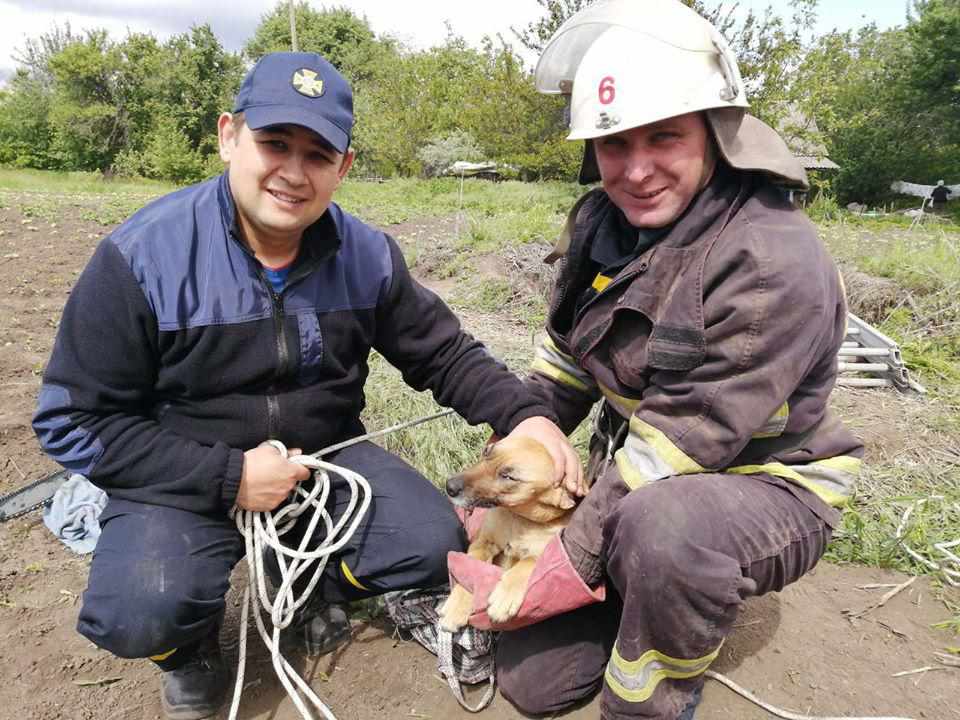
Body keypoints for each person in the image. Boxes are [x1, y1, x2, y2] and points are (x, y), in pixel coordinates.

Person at [31, 51, 579, 720]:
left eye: (318, 154)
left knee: (431, 540)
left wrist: (527, 416)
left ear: (343, 168)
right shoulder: (142, 256)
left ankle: (320, 581)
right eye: (274, 143)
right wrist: (227, 476)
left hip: (324, 455)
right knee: (143, 606)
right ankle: (186, 649)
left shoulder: (367, 255)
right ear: (229, 135)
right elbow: (74, 422)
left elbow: (444, 354)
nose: (293, 172)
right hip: (179, 469)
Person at [450, 3, 864, 719]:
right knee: (537, 687)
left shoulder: (768, 259)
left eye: (664, 137)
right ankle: (646, 589)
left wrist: (569, 559)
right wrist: (525, 434)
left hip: (759, 489)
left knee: (666, 530)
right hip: (643, 481)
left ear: (715, 133)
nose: (636, 170)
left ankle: (655, 695)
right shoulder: (599, 227)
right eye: (613, 143)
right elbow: (563, 367)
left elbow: (676, 449)